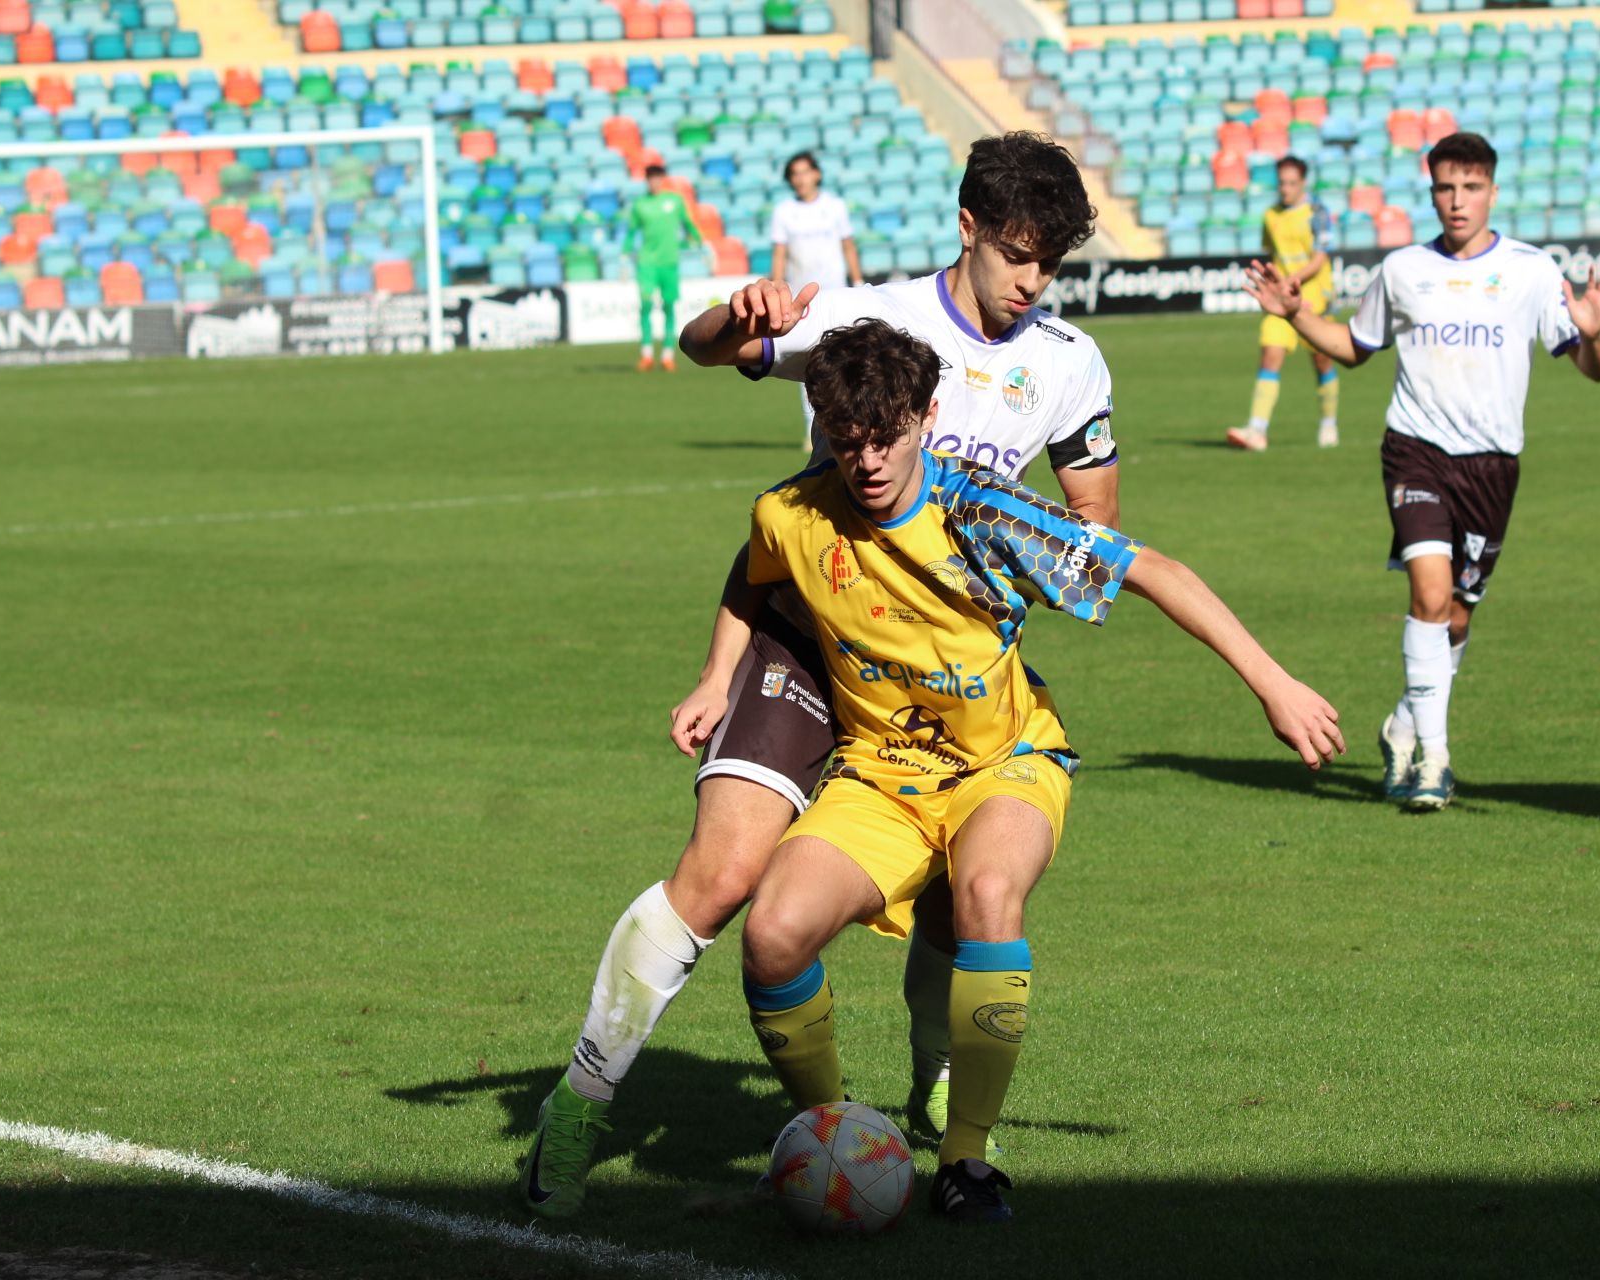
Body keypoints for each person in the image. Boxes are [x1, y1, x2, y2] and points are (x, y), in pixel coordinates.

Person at [522, 133, 1120, 1218]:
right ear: (968, 228)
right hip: (809, 629)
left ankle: (937, 1076)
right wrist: (737, 317)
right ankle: (580, 1101)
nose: (1033, 283)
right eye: (1019, 255)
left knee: (960, 888)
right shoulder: (867, 318)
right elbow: (712, 349)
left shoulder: (1071, 360)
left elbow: (1097, 516)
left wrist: (1048, 555)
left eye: (1053, 264)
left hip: (944, 662)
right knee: (721, 872)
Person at [685, 317, 1343, 1222]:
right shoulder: (791, 511)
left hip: (1006, 761)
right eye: (846, 440)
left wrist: (1275, 683)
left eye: (886, 435)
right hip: (880, 775)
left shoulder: (983, 513)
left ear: (927, 413)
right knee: (772, 936)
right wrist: (717, 678)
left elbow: (1152, 569)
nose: (868, 460)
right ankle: (834, 1136)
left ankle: (966, 1160)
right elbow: (754, 576)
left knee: (990, 893)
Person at [1245, 131, 1600, 811]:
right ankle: (1434, 761)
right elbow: (1354, 347)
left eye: (1471, 188)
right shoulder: (1403, 270)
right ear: (1432, 192)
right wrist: (1298, 312)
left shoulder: (1532, 271)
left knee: (1455, 616)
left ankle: (1402, 725)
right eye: (1446, 188)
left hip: (1493, 465)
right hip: (1414, 451)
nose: (1457, 201)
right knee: (1428, 595)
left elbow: (1594, 371)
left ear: (1492, 193)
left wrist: (1593, 335)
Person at [1227, 156, 1342, 451]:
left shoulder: (1317, 212)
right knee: (1270, 355)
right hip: (1280, 299)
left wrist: (1294, 279)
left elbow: (1320, 257)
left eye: (1292, 183)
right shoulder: (1271, 215)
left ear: (1302, 183)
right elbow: (1271, 252)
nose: (1286, 189)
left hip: (1313, 297)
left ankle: (1329, 423)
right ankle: (1257, 430)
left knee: (1321, 360)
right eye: (1281, 183)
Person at [622, 164, 701, 372]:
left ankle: (667, 355)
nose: (654, 182)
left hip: (670, 263)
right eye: (650, 178)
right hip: (647, 263)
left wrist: (700, 243)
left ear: (662, 179)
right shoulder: (640, 205)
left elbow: (689, 225)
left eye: (657, 177)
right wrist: (623, 256)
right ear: (646, 180)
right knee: (646, 305)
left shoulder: (674, 201)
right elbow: (631, 233)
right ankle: (646, 354)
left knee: (668, 307)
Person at [769, 151, 864, 294]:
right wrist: (776, 289)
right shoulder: (782, 211)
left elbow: (848, 247)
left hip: (835, 290)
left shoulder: (836, 206)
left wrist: (858, 283)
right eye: (795, 174)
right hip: (799, 293)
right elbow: (779, 255)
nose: (801, 179)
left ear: (816, 174)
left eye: (805, 172)